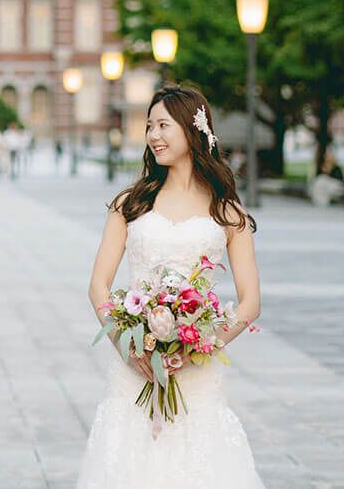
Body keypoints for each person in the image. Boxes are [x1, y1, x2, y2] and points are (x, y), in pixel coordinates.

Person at [78, 84, 262, 486]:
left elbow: (250, 303)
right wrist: (127, 345)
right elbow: (98, 285)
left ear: (192, 130)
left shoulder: (226, 211)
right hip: (134, 367)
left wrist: (200, 345)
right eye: (149, 126)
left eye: (163, 125)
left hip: (197, 370)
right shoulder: (130, 204)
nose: (153, 135)